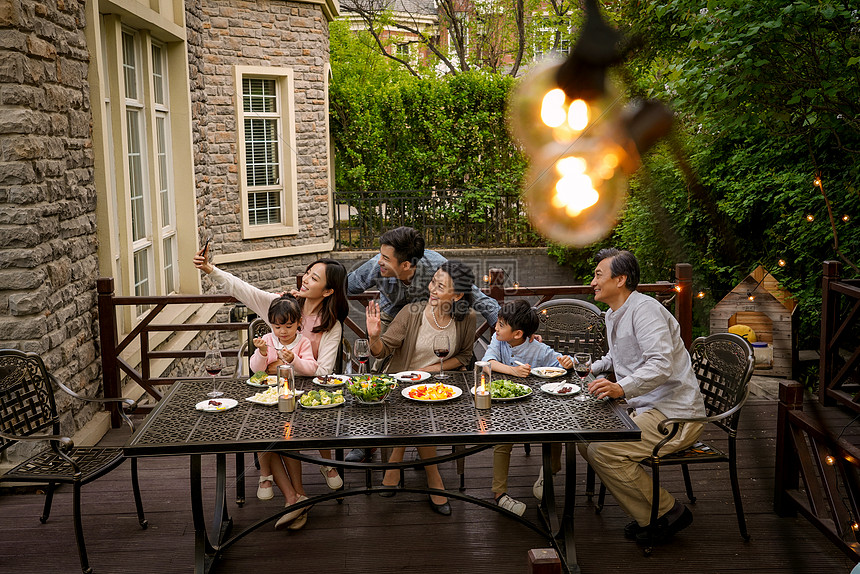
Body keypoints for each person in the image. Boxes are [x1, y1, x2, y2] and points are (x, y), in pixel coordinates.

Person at [194, 248, 349, 530]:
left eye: (314, 278)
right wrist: (210, 270)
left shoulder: (331, 325)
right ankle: (295, 497)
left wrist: (284, 365)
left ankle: (298, 494)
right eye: (307, 273)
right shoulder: (282, 306)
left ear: (328, 291)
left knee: (282, 431)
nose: (305, 280)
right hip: (273, 392)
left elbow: (324, 371)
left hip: (310, 395)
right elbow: (243, 290)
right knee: (268, 430)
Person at [578, 248, 705, 544]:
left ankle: (668, 512)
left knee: (604, 450)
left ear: (620, 279)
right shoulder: (614, 313)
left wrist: (621, 388)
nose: (593, 282)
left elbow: (660, 363)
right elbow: (619, 355)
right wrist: (590, 367)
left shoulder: (645, 310)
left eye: (599, 274)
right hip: (644, 407)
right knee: (585, 439)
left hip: (675, 414)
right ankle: (650, 515)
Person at [345, 226, 499, 462]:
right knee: (377, 377)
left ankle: (421, 440)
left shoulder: (436, 266)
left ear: (406, 264)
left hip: (430, 319)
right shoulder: (379, 264)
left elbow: (478, 298)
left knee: (426, 375)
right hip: (391, 318)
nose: (379, 262)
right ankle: (370, 440)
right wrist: (308, 291)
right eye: (380, 255)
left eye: (385, 258)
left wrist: (515, 329)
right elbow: (347, 285)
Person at [364, 261, 478, 516]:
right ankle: (434, 477)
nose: (432, 289)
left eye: (441, 285)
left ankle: (395, 463)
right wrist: (374, 337)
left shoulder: (467, 317)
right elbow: (384, 350)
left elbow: (464, 355)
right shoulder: (412, 312)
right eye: (432, 282)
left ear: (457, 295)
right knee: (418, 413)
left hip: (441, 387)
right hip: (400, 383)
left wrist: (432, 370)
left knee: (425, 409)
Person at [481, 299, 573, 516]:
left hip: (538, 406)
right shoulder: (499, 339)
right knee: (502, 441)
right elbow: (486, 363)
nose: (495, 328)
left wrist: (567, 363)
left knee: (556, 429)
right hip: (507, 405)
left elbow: (559, 366)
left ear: (518, 333)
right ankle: (499, 493)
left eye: (501, 324)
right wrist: (513, 371)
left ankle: (550, 471)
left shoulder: (538, 349)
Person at [248, 294, 315, 374]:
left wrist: (293, 360)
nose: (283, 331)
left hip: (296, 385)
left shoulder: (303, 342)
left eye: (289, 326)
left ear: (299, 322)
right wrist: (262, 352)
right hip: (270, 384)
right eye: (277, 327)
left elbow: (311, 369)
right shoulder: (267, 340)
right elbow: (256, 370)